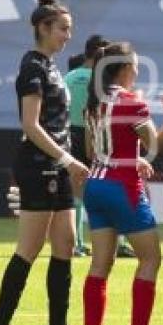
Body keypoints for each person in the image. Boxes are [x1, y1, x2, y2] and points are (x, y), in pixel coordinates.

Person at [0, 0, 87, 325]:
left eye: (69, 29)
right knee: (29, 247)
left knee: (66, 243)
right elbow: (30, 125)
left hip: (55, 167)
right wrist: (67, 160)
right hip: (39, 166)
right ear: (42, 28)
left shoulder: (51, 65)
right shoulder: (33, 66)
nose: (67, 36)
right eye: (62, 29)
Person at [79, 42, 163, 325]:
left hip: (95, 186)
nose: (136, 71)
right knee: (151, 258)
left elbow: (92, 153)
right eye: (134, 66)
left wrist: (127, 158)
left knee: (99, 264)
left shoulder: (94, 102)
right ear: (123, 69)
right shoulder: (131, 102)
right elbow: (154, 146)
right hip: (123, 188)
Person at [65, 34, 108, 257]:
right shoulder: (102, 79)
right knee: (101, 188)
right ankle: (112, 243)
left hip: (70, 134)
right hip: (95, 135)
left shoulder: (69, 77)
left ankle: (76, 243)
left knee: (76, 190)